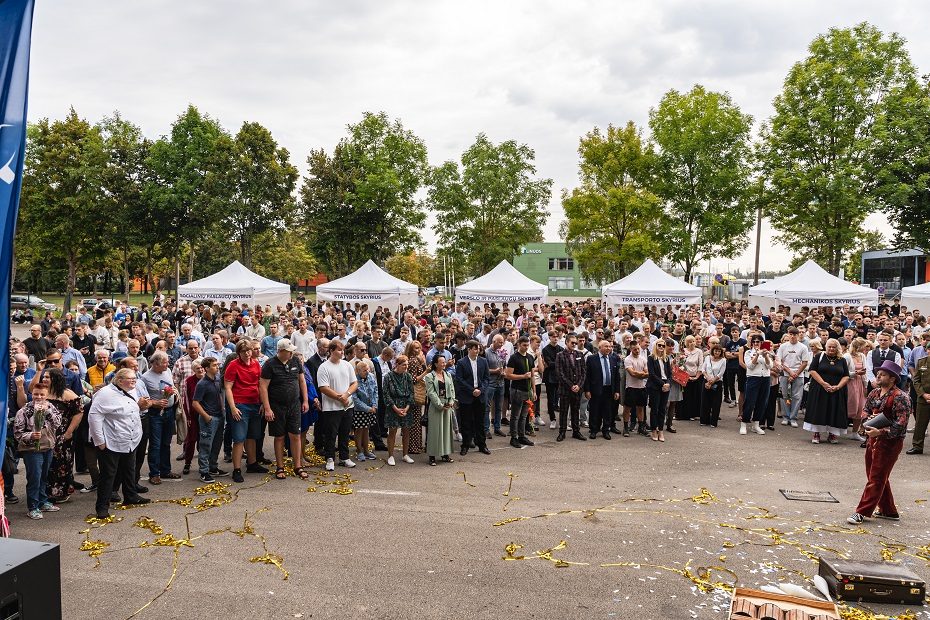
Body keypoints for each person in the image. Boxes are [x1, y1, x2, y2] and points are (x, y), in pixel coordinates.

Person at [848, 360, 911, 525]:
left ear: (892, 378)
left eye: (882, 374)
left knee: (876, 477)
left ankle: (861, 511)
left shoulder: (901, 397)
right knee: (876, 476)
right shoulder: (874, 392)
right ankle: (889, 511)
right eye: (878, 373)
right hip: (872, 439)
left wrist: (881, 432)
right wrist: (867, 419)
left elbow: (901, 424)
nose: (878, 376)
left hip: (890, 443)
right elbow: (865, 409)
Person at [89, 369, 152, 519]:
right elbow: (94, 416)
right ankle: (102, 507)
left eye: (134, 379)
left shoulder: (132, 390)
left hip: (130, 439)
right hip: (111, 441)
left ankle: (130, 496)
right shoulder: (105, 394)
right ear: (119, 380)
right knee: (108, 475)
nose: (133, 381)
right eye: (130, 379)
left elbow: (132, 409)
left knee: (129, 469)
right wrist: (100, 441)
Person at [259, 338, 310, 480]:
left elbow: (302, 381)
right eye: (289, 351)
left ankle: (298, 466)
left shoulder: (295, 361)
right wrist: (267, 408)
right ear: (281, 351)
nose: (291, 353)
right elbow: (263, 387)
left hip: (294, 405)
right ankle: (280, 467)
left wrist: (305, 400)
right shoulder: (270, 364)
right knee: (279, 436)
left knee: (295, 435)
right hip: (276, 406)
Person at [13, 382, 62, 520]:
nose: (38, 397)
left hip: (48, 447)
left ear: (47, 395)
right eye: (36, 394)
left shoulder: (51, 407)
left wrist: (48, 411)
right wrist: (30, 435)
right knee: (34, 477)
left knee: (44, 476)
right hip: (32, 450)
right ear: (31, 394)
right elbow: (17, 434)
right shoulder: (23, 411)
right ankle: (33, 507)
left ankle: (42, 501)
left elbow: (58, 424)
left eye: (42, 394)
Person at [223, 340, 266, 483]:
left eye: (249, 350)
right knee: (239, 438)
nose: (247, 353)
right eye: (244, 351)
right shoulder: (233, 365)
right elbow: (228, 388)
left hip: (254, 403)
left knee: (252, 436)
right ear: (239, 353)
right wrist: (233, 407)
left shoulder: (255, 364)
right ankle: (236, 469)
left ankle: (252, 463)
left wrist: (262, 402)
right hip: (240, 404)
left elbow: (260, 384)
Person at [315, 341, 358, 471]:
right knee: (330, 434)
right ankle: (330, 458)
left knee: (345, 433)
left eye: (343, 350)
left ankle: (344, 457)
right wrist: (340, 397)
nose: (342, 352)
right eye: (339, 350)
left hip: (347, 406)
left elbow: (354, 383)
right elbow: (323, 387)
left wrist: (347, 394)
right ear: (331, 350)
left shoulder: (347, 365)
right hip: (331, 407)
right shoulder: (324, 367)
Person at [140, 351, 181, 485]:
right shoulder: (145, 378)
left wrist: (174, 393)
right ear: (155, 364)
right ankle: (154, 473)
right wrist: (155, 403)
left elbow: (171, 386)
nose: (167, 364)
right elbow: (143, 398)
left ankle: (165, 470)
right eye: (164, 362)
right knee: (155, 445)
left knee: (166, 443)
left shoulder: (167, 371)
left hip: (169, 412)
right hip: (155, 414)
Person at [803, 338, 850, 444]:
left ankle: (832, 434)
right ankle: (816, 433)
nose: (831, 349)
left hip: (836, 390)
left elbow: (846, 376)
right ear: (826, 347)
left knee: (834, 410)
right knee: (819, 410)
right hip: (820, 388)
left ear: (837, 348)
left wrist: (838, 386)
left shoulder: (842, 359)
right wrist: (823, 383)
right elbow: (812, 370)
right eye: (829, 346)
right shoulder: (820, 356)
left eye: (834, 347)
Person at [191, 357, 227, 483]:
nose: (217, 367)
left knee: (217, 444)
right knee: (205, 445)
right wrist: (206, 416)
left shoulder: (217, 379)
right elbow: (195, 403)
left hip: (219, 416)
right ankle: (204, 471)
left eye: (217, 364)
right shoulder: (202, 384)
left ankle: (213, 467)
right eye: (214, 365)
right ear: (206, 368)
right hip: (209, 418)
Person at [453, 340, 491, 456]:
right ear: (468, 349)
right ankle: (465, 444)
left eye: (478, 349)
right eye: (475, 349)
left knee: (480, 421)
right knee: (466, 422)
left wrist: (481, 389)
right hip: (467, 396)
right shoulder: (461, 362)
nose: (477, 351)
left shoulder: (483, 361)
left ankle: (482, 444)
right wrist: (471, 390)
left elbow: (486, 378)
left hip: (480, 395)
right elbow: (459, 379)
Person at [383, 354, 415, 466]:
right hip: (393, 406)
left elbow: (412, 393)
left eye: (407, 365)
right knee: (392, 431)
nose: (406, 367)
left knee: (406, 431)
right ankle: (390, 455)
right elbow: (386, 394)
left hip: (406, 406)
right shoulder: (388, 377)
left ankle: (405, 454)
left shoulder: (408, 376)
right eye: (403, 365)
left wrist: (406, 408)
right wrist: (395, 408)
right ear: (397, 364)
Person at [504, 336, 536, 447]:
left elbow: (532, 376)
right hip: (517, 390)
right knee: (515, 416)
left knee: (524, 416)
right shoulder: (514, 358)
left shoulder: (530, 357)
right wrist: (522, 376)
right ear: (519, 345)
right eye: (524, 345)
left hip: (527, 391)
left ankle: (522, 436)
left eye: (527, 345)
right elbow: (508, 375)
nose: (526, 347)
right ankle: (514, 437)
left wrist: (534, 391)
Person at [424, 355, 456, 465]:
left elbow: (452, 389)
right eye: (441, 362)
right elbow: (431, 393)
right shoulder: (429, 376)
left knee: (446, 430)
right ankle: (432, 455)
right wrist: (440, 405)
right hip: (436, 406)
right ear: (436, 364)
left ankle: (445, 454)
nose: (444, 364)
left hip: (447, 405)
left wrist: (451, 401)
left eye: (444, 362)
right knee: (434, 430)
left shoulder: (448, 375)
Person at [776, 327, 810, 427]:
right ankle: (786, 417)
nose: (792, 336)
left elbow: (804, 363)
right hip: (785, 374)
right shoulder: (783, 346)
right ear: (788, 334)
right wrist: (790, 372)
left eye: (794, 334)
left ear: (798, 335)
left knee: (797, 397)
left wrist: (795, 374)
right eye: (790, 334)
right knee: (785, 396)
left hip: (798, 375)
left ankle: (793, 417)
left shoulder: (803, 347)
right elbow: (780, 361)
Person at [555, 334, 587, 442]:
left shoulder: (579, 354)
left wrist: (579, 385)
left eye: (575, 343)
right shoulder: (560, 355)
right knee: (563, 411)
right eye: (572, 342)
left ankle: (576, 431)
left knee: (575, 410)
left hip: (577, 389)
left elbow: (583, 372)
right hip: (565, 389)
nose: (574, 344)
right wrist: (570, 385)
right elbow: (560, 373)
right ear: (566, 342)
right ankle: (562, 432)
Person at [741, 335, 771, 436]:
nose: (756, 343)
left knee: (762, 402)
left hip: (765, 378)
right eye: (754, 341)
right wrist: (757, 355)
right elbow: (750, 366)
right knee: (750, 401)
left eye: (758, 342)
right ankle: (744, 423)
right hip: (753, 378)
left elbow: (770, 366)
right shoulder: (748, 352)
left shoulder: (767, 352)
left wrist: (766, 355)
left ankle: (756, 424)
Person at [352, 359, 378, 462]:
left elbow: (375, 391)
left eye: (367, 369)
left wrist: (375, 405)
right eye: (364, 370)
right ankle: (359, 451)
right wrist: (367, 409)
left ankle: (366, 450)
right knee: (359, 430)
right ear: (358, 371)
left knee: (366, 429)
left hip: (371, 408)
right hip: (360, 409)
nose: (367, 372)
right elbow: (355, 399)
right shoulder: (354, 380)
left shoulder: (371, 376)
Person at [646, 341, 672, 442]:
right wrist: (663, 384)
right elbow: (651, 374)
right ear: (655, 346)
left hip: (666, 385)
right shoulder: (651, 357)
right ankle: (654, 430)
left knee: (662, 409)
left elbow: (669, 373)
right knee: (655, 409)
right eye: (659, 345)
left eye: (663, 345)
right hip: (655, 386)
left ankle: (660, 430)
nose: (661, 347)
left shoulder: (666, 358)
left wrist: (668, 383)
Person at [622, 341, 649, 437]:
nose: (637, 351)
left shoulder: (643, 359)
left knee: (641, 408)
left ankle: (641, 427)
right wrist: (642, 374)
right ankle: (625, 427)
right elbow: (632, 373)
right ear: (631, 349)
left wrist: (641, 374)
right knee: (627, 408)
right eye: (635, 349)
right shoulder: (628, 359)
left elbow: (647, 373)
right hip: (631, 387)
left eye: (638, 349)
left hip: (641, 387)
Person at [846, 337, 869, 442]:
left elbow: (865, 372)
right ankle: (836, 430)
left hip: (860, 384)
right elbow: (843, 373)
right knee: (848, 406)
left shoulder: (862, 356)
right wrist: (855, 373)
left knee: (860, 408)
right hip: (849, 384)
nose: (865, 349)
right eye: (863, 346)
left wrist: (865, 386)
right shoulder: (847, 356)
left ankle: (854, 433)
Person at [908, 350, 930, 455]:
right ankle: (917, 446)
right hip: (923, 398)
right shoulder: (921, 362)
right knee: (920, 423)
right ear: (927, 351)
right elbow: (916, 380)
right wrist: (923, 394)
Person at [678, 335, 704, 422]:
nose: (692, 343)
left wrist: (697, 376)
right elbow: (679, 364)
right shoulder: (683, 351)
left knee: (694, 396)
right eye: (689, 341)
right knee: (685, 396)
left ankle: (693, 414)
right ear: (686, 343)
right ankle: (683, 414)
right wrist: (685, 376)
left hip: (695, 377)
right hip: (684, 377)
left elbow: (701, 365)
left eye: (693, 341)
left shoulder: (699, 351)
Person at [700, 345, 726, 428]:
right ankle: (704, 420)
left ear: (721, 352)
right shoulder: (707, 358)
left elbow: (721, 373)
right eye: (715, 350)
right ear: (713, 351)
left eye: (719, 351)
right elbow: (703, 369)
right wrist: (708, 378)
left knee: (716, 403)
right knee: (705, 401)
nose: (717, 352)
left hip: (717, 382)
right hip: (706, 381)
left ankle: (713, 422)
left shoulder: (723, 360)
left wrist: (712, 381)